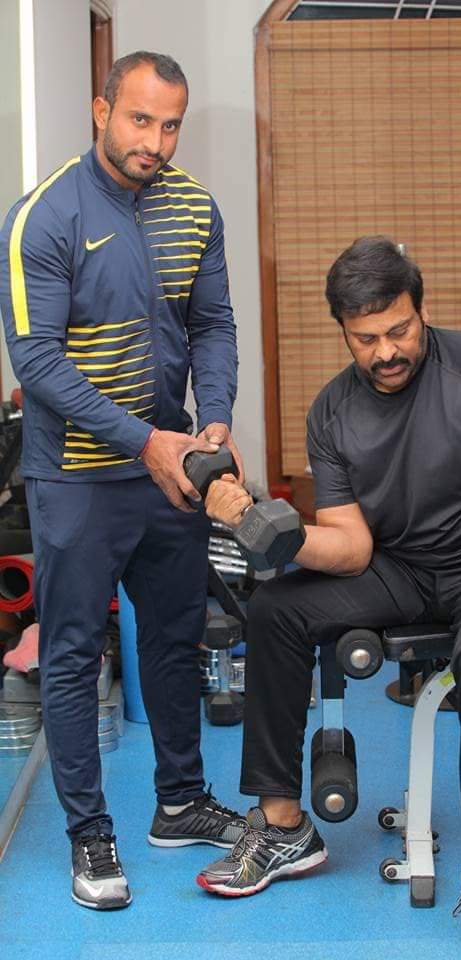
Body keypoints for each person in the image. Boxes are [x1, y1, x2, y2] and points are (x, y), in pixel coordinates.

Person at [198, 237, 461, 959]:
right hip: (403, 567)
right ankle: (284, 827)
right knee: (278, 609)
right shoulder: (333, 412)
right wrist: (260, 525)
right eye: (366, 338)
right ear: (344, 332)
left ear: (421, 309)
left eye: (399, 330)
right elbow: (349, 546)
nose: (386, 351)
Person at [0, 51, 251, 910]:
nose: (155, 141)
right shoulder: (45, 215)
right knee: (72, 654)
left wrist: (211, 418)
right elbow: (33, 358)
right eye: (140, 120)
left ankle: (180, 803)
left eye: (171, 124)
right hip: (76, 476)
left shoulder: (194, 207)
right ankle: (88, 835)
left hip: (171, 469)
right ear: (102, 110)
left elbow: (213, 323)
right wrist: (146, 440)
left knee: (176, 639)